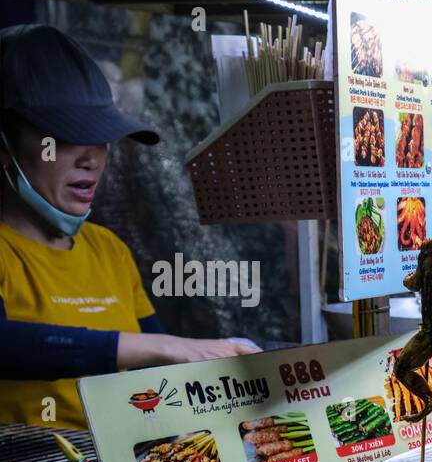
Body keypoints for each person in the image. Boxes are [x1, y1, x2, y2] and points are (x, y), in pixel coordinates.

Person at [0, 24, 257, 429]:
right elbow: (8, 347)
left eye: (101, 139)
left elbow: (154, 375)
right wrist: (166, 347)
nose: (92, 159)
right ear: (5, 148)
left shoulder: (108, 250)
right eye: (67, 138)